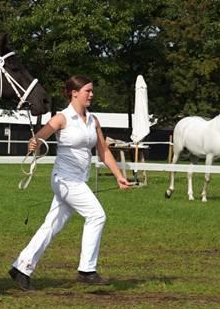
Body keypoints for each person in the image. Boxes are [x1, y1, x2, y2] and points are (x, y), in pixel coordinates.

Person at [9, 75, 131, 290]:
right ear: (74, 93)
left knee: (52, 225)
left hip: (79, 181)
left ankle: (21, 267)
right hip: (65, 180)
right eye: (88, 91)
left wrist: (119, 175)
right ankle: (87, 270)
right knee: (96, 215)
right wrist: (35, 143)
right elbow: (41, 136)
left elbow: (103, 151)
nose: (91, 94)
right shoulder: (61, 118)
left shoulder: (93, 121)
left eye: (91, 91)